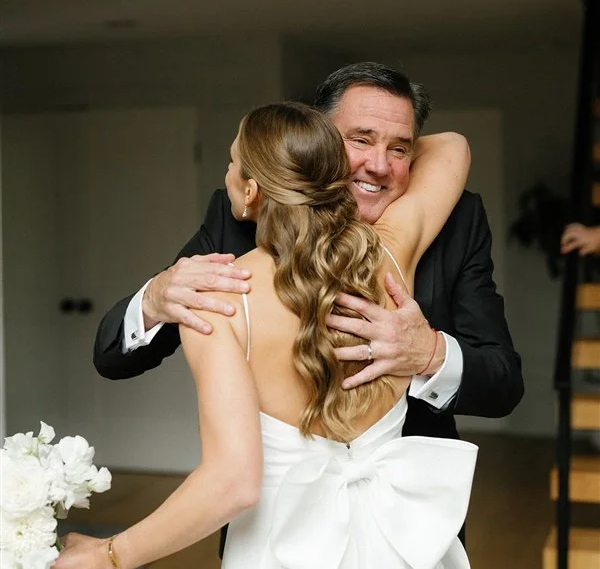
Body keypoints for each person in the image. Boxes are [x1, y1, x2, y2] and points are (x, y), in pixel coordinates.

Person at [50, 102, 498, 569]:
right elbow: (452, 146)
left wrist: (109, 556)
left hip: (284, 564)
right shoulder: (390, 257)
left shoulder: (219, 300)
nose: (227, 173)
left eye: (233, 162)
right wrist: (335, 157)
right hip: (405, 557)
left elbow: (233, 482)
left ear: (250, 192)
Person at [94, 63, 523, 454]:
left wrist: (429, 354)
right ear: (317, 140)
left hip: (408, 490)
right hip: (278, 487)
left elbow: (503, 383)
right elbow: (114, 359)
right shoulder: (242, 215)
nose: (379, 166)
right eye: (360, 140)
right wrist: (153, 300)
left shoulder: (454, 218)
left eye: (399, 149)